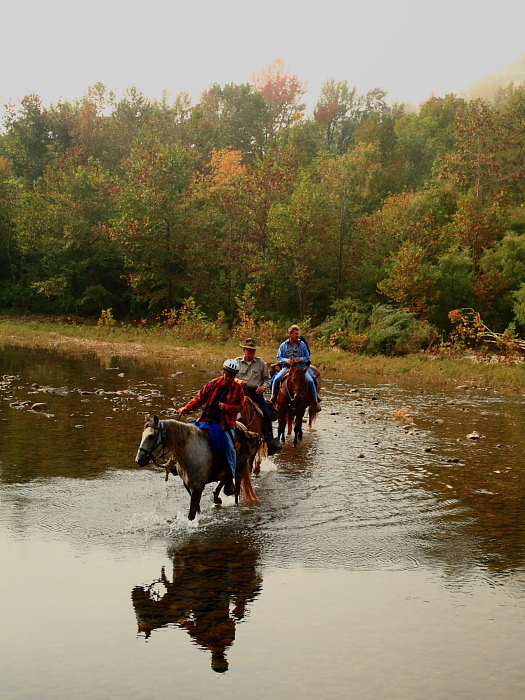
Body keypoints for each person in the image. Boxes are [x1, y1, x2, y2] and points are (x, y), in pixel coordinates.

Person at [177, 359, 244, 496]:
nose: (229, 377)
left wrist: (227, 407)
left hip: (225, 424)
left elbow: (240, 407)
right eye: (228, 374)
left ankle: (229, 479)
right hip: (206, 420)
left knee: (230, 448)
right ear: (223, 372)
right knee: (184, 434)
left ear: (235, 375)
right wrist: (186, 408)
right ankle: (173, 463)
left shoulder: (238, 389)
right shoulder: (213, 384)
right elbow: (199, 399)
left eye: (232, 375)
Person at [235, 338, 282, 456]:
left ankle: (270, 439)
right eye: (249, 350)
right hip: (239, 392)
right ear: (244, 350)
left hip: (255, 393)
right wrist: (237, 381)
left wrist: (263, 387)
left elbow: (267, 379)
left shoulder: (261, 363)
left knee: (265, 414)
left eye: (253, 350)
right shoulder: (236, 362)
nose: (251, 352)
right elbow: (230, 377)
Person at [270, 324, 321, 412]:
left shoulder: (302, 345)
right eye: (296, 334)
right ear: (290, 334)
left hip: (301, 368)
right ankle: (272, 399)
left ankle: (315, 401)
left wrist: (301, 359)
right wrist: (286, 360)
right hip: (288, 367)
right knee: (277, 379)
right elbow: (279, 357)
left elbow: (307, 356)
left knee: (310, 381)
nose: (298, 335)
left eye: (298, 334)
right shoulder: (283, 345)